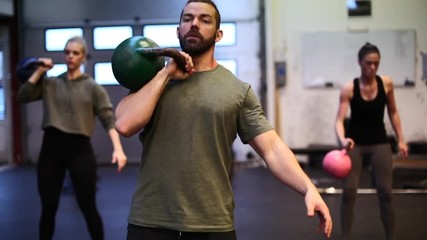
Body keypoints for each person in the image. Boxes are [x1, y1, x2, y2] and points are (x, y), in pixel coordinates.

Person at [115, 1, 332, 239]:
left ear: (218, 35)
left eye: (204, 20)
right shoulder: (153, 82)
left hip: (212, 223)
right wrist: (166, 73)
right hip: (151, 220)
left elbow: (272, 148)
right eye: (187, 19)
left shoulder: (237, 91)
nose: (194, 24)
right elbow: (125, 124)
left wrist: (308, 188)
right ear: (178, 30)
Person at [17, 36, 128, 240]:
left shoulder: (94, 87)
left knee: (88, 206)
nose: (70, 56)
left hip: (79, 151)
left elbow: (107, 119)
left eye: (75, 53)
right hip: (51, 149)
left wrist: (118, 149)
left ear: (83, 57)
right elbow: (23, 96)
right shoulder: (50, 83)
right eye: (67, 52)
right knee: (48, 207)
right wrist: (40, 70)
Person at [334, 42, 409, 240]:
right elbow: (339, 121)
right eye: (368, 63)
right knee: (349, 193)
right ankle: (346, 237)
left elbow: (393, 111)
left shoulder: (387, 84)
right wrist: (343, 139)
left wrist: (401, 139)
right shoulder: (349, 88)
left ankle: (390, 237)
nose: (373, 67)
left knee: (386, 193)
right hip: (355, 145)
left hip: (379, 143)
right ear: (360, 62)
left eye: (376, 63)